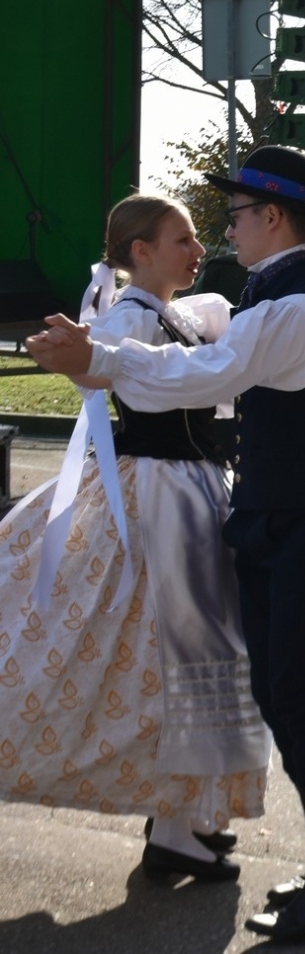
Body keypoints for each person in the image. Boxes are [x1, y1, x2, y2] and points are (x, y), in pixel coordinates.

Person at [26, 146, 305, 944]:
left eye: (239, 212)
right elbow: (198, 351)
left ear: (275, 217)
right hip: (280, 514)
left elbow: (208, 374)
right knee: (285, 688)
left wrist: (99, 358)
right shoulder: (270, 294)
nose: (228, 226)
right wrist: (105, 352)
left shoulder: (302, 308)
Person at [0, 193, 269, 882]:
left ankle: (185, 815)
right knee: (182, 651)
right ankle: (177, 823)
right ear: (140, 250)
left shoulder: (169, 311)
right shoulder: (129, 315)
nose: (195, 248)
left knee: (194, 652)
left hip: (187, 484)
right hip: (163, 493)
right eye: (180, 239)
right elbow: (108, 376)